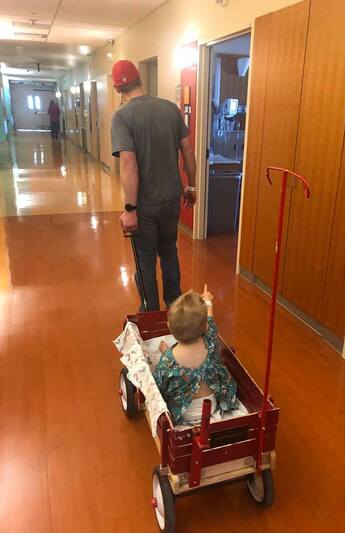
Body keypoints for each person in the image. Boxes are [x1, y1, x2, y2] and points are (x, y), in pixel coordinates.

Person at [111, 59, 197, 311]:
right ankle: (176, 310)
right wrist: (191, 187)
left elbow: (129, 164)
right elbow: (188, 151)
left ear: (117, 89)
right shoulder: (170, 109)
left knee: (146, 261)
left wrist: (130, 208)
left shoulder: (122, 116)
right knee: (169, 252)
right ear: (140, 79)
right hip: (172, 199)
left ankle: (151, 314)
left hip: (145, 205)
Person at [153, 285, 237, 425]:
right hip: (212, 407)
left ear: (169, 327)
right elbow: (210, 320)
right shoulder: (210, 340)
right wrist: (208, 301)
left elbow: (159, 385)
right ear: (205, 327)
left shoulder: (168, 359)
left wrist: (166, 352)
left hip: (183, 413)